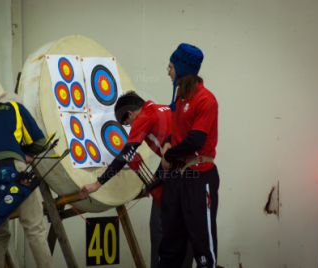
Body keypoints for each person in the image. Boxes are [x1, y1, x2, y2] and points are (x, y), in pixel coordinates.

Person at [81, 91, 193, 268]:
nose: (129, 126)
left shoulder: (144, 117)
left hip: (177, 173)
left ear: (131, 114)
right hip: (190, 171)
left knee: (159, 226)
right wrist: (157, 177)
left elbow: (126, 155)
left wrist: (98, 183)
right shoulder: (161, 108)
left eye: (127, 123)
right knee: (185, 226)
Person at [0, 92, 53, 268]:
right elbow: (41, 142)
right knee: (34, 227)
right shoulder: (16, 108)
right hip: (12, 167)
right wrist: (24, 153)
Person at [159, 43, 220, 268]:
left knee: (202, 243)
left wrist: (169, 156)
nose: (168, 71)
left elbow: (196, 139)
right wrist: (166, 143)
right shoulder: (180, 99)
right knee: (171, 243)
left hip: (199, 177)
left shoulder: (206, 99)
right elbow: (175, 133)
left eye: (171, 66)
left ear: (183, 69)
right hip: (178, 178)